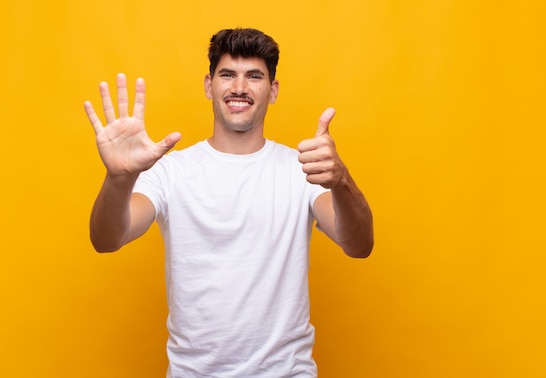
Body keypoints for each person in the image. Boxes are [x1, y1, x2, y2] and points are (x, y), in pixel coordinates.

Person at [84, 28, 373, 378]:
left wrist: (341, 181)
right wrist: (118, 178)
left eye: (254, 76)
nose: (239, 88)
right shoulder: (171, 171)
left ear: (273, 90)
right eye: (227, 75)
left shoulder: (302, 170)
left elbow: (358, 245)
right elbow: (107, 238)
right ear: (209, 86)